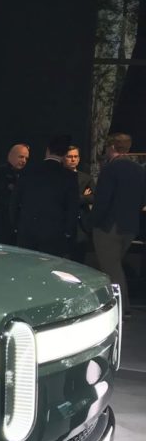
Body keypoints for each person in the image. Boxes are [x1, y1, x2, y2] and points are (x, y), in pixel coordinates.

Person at [93, 132, 146, 315]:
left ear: (112, 147)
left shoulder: (110, 169)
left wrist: (91, 222)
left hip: (110, 227)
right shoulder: (139, 170)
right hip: (130, 227)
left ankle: (122, 309)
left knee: (111, 269)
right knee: (114, 266)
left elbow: (102, 201)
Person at [10, 134, 79, 257]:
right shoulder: (69, 177)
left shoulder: (28, 171)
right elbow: (72, 208)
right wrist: (68, 232)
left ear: (47, 150)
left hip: (27, 230)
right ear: (64, 154)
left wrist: (15, 225)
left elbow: (15, 201)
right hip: (54, 233)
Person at [64, 144, 94, 262]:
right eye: (69, 156)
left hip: (81, 225)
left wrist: (79, 198)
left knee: (79, 258)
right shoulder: (57, 176)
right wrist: (83, 196)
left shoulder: (86, 178)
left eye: (75, 156)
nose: (73, 159)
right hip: (62, 223)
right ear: (63, 158)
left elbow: (94, 197)